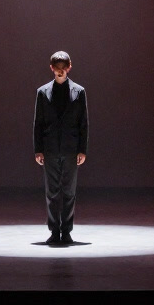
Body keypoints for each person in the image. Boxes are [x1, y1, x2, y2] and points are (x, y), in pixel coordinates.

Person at [33, 51, 89, 245]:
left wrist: (82, 149)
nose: (60, 72)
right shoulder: (42, 92)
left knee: (69, 191)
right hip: (49, 149)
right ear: (51, 68)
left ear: (69, 67)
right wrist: (38, 149)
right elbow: (38, 123)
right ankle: (54, 231)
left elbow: (83, 123)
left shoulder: (79, 91)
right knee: (52, 192)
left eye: (63, 68)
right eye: (57, 68)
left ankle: (66, 231)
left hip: (70, 149)